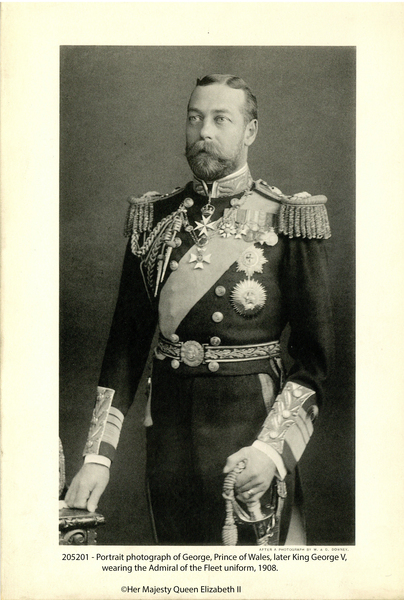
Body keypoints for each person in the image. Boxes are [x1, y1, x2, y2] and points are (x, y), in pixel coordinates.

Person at [65, 73, 334, 545]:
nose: (203, 131)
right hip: (167, 436)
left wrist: (272, 452)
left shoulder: (288, 218)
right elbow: (124, 348)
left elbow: (315, 363)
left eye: (220, 119)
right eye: (194, 118)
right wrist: (97, 456)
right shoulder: (155, 218)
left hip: (250, 429)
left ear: (249, 131)